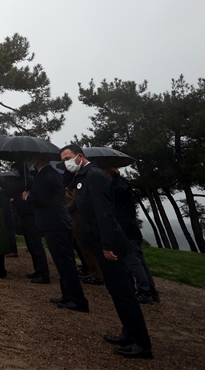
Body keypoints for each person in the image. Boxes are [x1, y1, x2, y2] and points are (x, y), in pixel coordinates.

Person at [63, 144, 152, 359]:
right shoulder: (82, 177)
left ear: (80, 156)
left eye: (67, 157)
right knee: (116, 292)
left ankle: (141, 343)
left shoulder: (94, 176)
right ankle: (128, 332)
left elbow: (104, 214)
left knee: (123, 292)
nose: (65, 162)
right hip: (96, 242)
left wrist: (107, 245)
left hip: (108, 244)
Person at [23, 155, 87, 310]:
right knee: (62, 262)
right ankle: (67, 295)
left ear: (36, 160)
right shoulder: (51, 173)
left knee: (65, 262)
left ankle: (77, 300)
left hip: (55, 222)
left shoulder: (44, 176)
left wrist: (27, 197)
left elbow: (41, 200)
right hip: (57, 221)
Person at [104, 166, 159, 303]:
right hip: (132, 228)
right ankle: (151, 291)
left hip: (124, 230)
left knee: (133, 262)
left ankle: (144, 292)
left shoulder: (115, 189)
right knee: (140, 260)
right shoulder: (124, 186)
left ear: (109, 175)